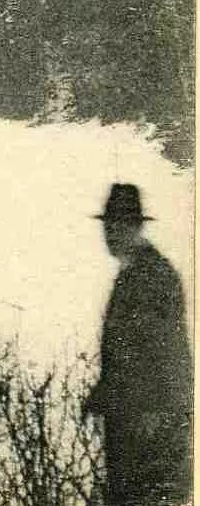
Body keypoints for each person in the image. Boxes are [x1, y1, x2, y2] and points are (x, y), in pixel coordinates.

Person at [83, 184, 193, 506]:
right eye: (107, 226)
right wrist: (100, 395)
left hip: (148, 423)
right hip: (131, 418)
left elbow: (161, 350)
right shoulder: (132, 274)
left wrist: (152, 412)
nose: (110, 234)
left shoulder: (152, 275)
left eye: (119, 225)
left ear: (137, 227)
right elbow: (125, 354)